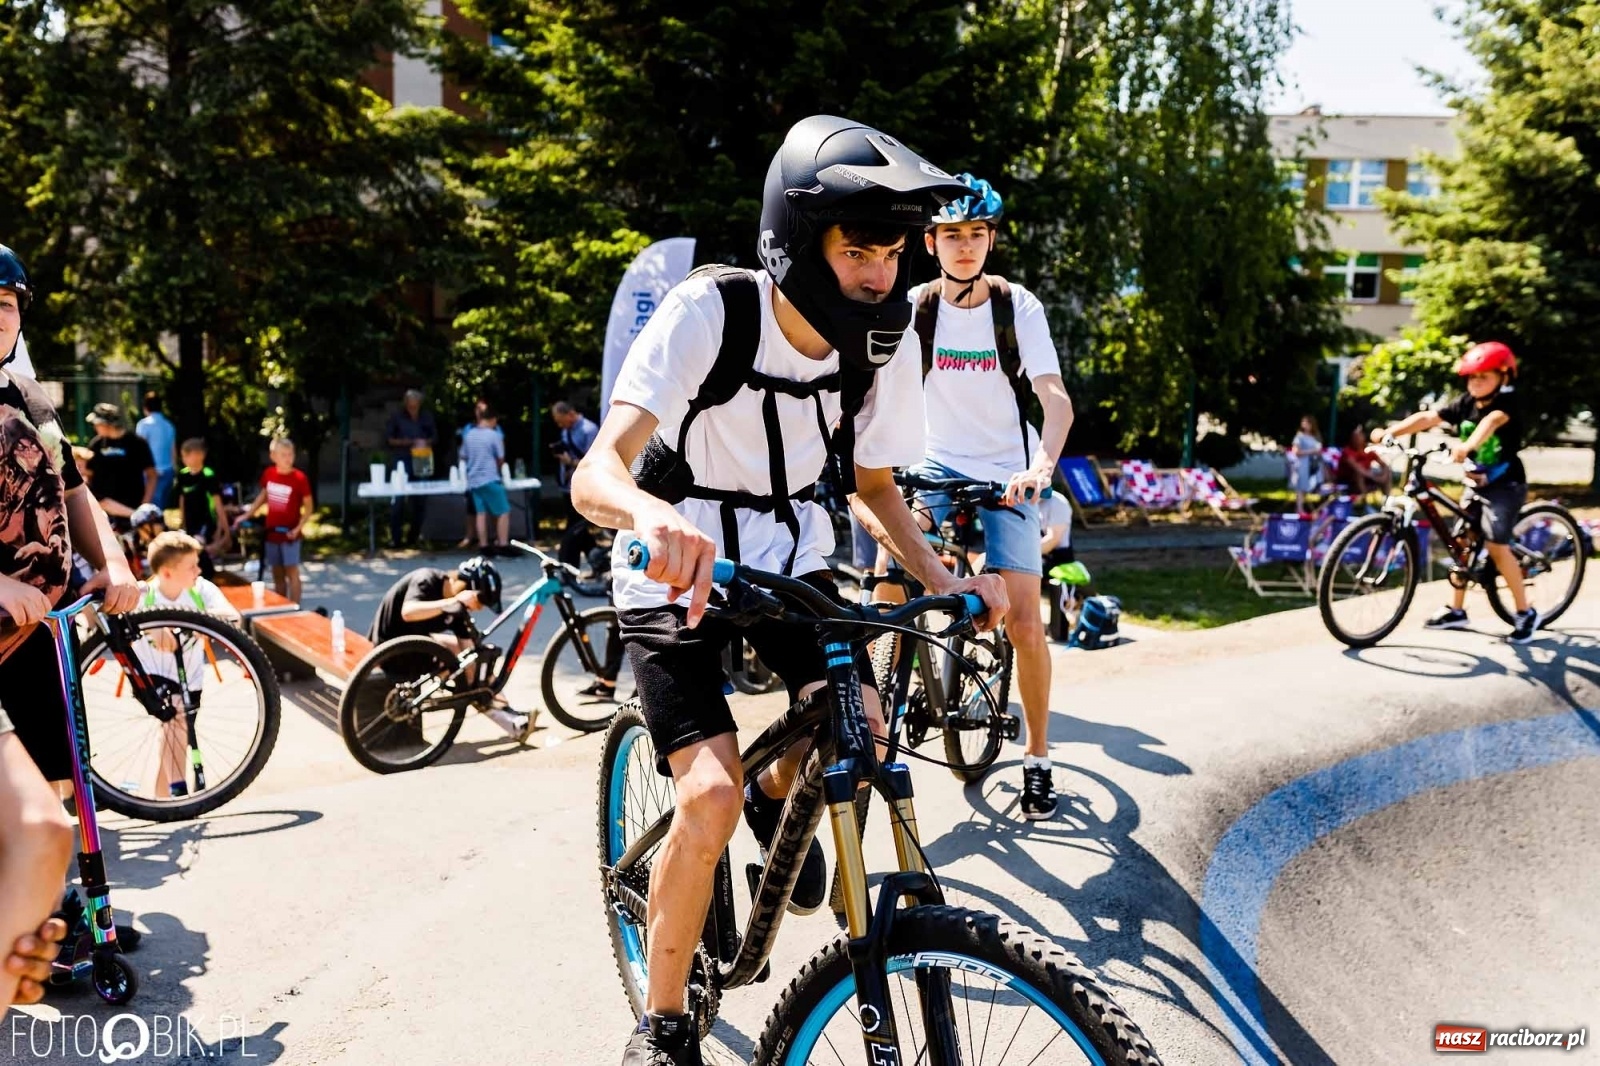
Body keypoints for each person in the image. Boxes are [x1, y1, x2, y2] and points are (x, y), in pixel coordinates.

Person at [571, 115, 1007, 1066]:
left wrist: (945, 580)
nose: (878, 275)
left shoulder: (877, 345)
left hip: (792, 559)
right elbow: (596, 472)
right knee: (711, 793)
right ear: (798, 239)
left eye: (892, 254)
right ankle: (666, 1020)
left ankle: (783, 798)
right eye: (858, 251)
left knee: (864, 729)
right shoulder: (711, 312)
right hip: (672, 563)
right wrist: (649, 517)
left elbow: (875, 483)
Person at [908, 172, 1074, 821]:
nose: (966, 246)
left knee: (1029, 623)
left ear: (991, 240)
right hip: (933, 466)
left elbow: (1054, 399)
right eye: (953, 235)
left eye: (977, 234)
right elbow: (878, 395)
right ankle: (881, 702)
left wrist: (1040, 466)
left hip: (1008, 472)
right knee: (885, 577)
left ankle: (1036, 757)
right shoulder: (916, 308)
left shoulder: (1017, 308)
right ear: (931, 243)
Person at [0, 245, 141, 1007]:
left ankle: (63, 917)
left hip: (38, 630)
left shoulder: (30, 396)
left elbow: (76, 491)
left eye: (4, 305)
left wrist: (111, 564)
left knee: (61, 771)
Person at [1373, 340, 1540, 642]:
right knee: (1461, 542)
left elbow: (1491, 423)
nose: (1476, 383)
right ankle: (1457, 610)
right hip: (1474, 483)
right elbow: (1429, 418)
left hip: (1504, 486)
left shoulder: (1507, 403)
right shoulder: (1466, 402)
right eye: (1472, 377)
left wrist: (1467, 446)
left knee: (1496, 546)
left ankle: (1525, 612)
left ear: (1504, 377)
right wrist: (1390, 432)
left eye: (1484, 376)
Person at [366, 557, 532, 739]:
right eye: (480, 602)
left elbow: (469, 652)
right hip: (391, 649)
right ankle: (509, 721)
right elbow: (408, 612)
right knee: (463, 671)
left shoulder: (458, 610)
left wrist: (478, 676)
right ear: (466, 588)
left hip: (415, 644)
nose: (478, 609)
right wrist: (453, 602)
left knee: (474, 665)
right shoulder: (427, 579)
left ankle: (508, 713)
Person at [136, 531, 242, 797]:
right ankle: (179, 792)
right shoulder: (144, 594)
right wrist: (151, 627)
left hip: (190, 677)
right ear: (168, 572)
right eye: (191, 566)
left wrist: (199, 620)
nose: (199, 570)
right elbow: (117, 616)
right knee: (176, 718)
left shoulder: (201, 590)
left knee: (173, 734)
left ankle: (160, 802)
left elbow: (234, 617)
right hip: (152, 676)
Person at [233, 438, 313, 603]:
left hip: (290, 534)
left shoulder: (299, 478)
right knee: (277, 574)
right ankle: (282, 605)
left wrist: (298, 529)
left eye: (290, 454)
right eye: (283, 454)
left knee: (292, 572)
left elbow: (309, 508)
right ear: (273, 456)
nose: (288, 458)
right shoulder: (269, 474)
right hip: (272, 533)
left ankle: (295, 607)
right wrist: (246, 515)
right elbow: (263, 496)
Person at [85, 402, 157, 525]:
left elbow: (151, 475)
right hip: (104, 510)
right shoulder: (96, 444)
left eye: (97, 424)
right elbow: (88, 474)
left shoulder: (136, 443)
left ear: (106, 423)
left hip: (132, 508)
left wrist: (144, 505)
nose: (95, 427)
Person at [385, 388, 437, 549]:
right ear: (406, 404)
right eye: (410, 405)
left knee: (420, 500)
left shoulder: (426, 417)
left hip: (422, 460)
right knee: (398, 500)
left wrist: (425, 441)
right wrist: (409, 442)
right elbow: (389, 440)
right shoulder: (397, 417)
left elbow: (435, 437)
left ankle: (413, 537)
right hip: (402, 460)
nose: (413, 408)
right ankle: (396, 538)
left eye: (416, 405)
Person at [552, 400, 600, 569]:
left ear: (570, 414)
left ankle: (568, 567)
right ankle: (597, 561)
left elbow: (593, 461)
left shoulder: (589, 430)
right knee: (578, 529)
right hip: (568, 484)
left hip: (585, 486)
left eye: (560, 420)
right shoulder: (566, 432)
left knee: (574, 528)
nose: (559, 424)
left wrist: (570, 462)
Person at [174, 438, 230, 577]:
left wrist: (224, 529)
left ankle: (208, 578)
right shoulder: (183, 475)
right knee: (194, 552)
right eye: (183, 455)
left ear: (200, 455)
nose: (184, 458)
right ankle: (201, 579)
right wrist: (182, 522)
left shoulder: (208, 475)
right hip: (190, 522)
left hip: (206, 521)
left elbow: (217, 503)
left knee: (197, 546)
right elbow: (182, 499)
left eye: (187, 455)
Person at [460, 403, 510, 554]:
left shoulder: (469, 435)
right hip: (489, 477)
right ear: (493, 419)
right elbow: (500, 458)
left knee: (480, 513)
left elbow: (463, 455)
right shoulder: (494, 435)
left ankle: (484, 545)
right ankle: (503, 544)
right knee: (503, 511)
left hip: (474, 480)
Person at [135, 392, 178, 510]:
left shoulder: (143, 425)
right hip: (168, 471)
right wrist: (174, 470)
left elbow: (140, 449)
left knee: (151, 509)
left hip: (151, 474)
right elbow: (173, 450)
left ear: (145, 407)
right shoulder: (169, 425)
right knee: (161, 507)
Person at [1335, 424, 1393, 497]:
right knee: (1359, 474)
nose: (1356, 439)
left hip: (1367, 477)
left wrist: (1383, 476)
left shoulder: (1369, 452)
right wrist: (1376, 478)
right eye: (1354, 437)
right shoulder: (1347, 452)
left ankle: (1387, 499)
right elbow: (1358, 469)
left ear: (1363, 437)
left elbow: (1384, 465)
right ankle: (1364, 500)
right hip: (1348, 480)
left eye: (1358, 436)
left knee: (1387, 472)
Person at [1289, 414, 1322, 515]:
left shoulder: (1315, 437)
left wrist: (1316, 452)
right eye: (1303, 422)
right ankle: (1299, 509)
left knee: (1308, 487)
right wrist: (1311, 451)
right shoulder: (1299, 437)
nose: (1304, 424)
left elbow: (1318, 450)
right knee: (1301, 487)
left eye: (1307, 422)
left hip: (1312, 464)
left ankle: (1303, 508)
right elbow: (1296, 452)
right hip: (1302, 464)